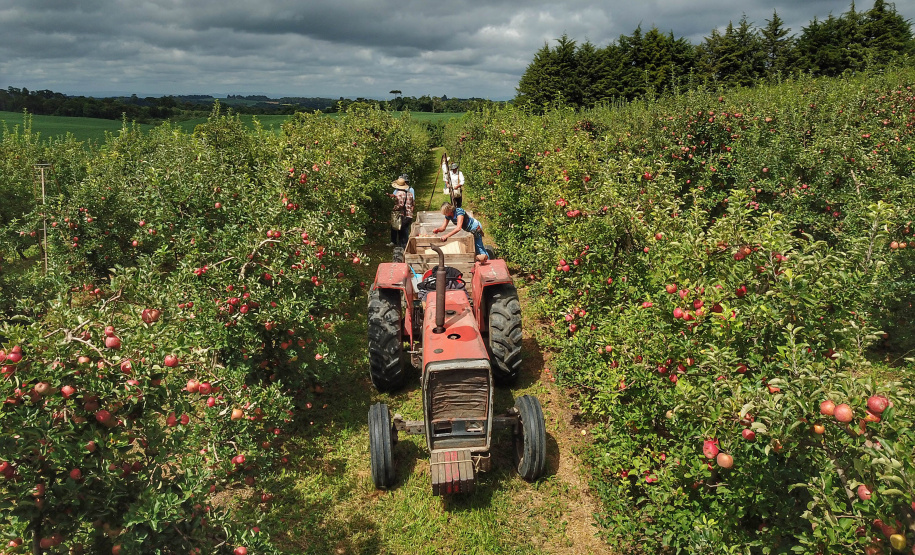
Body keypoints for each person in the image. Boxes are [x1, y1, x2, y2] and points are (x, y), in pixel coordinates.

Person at [389, 177, 414, 249]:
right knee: (405, 231)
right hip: (409, 215)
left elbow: (400, 205)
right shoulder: (409, 193)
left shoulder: (399, 193)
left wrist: (394, 208)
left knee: (401, 233)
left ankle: (402, 248)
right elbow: (412, 203)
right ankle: (406, 247)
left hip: (402, 215)